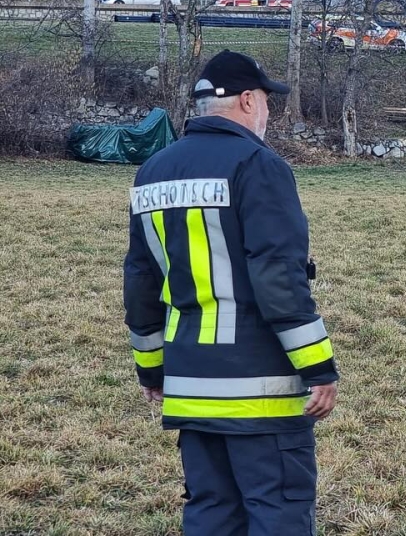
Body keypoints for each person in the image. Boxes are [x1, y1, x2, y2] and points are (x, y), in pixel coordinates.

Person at [124, 50, 339, 535]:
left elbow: (140, 280)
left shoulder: (152, 172)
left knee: (211, 511)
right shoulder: (259, 165)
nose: (267, 113)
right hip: (259, 390)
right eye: (265, 101)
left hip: (190, 384)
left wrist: (151, 367)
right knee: (277, 510)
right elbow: (279, 277)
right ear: (246, 100)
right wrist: (318, 367)